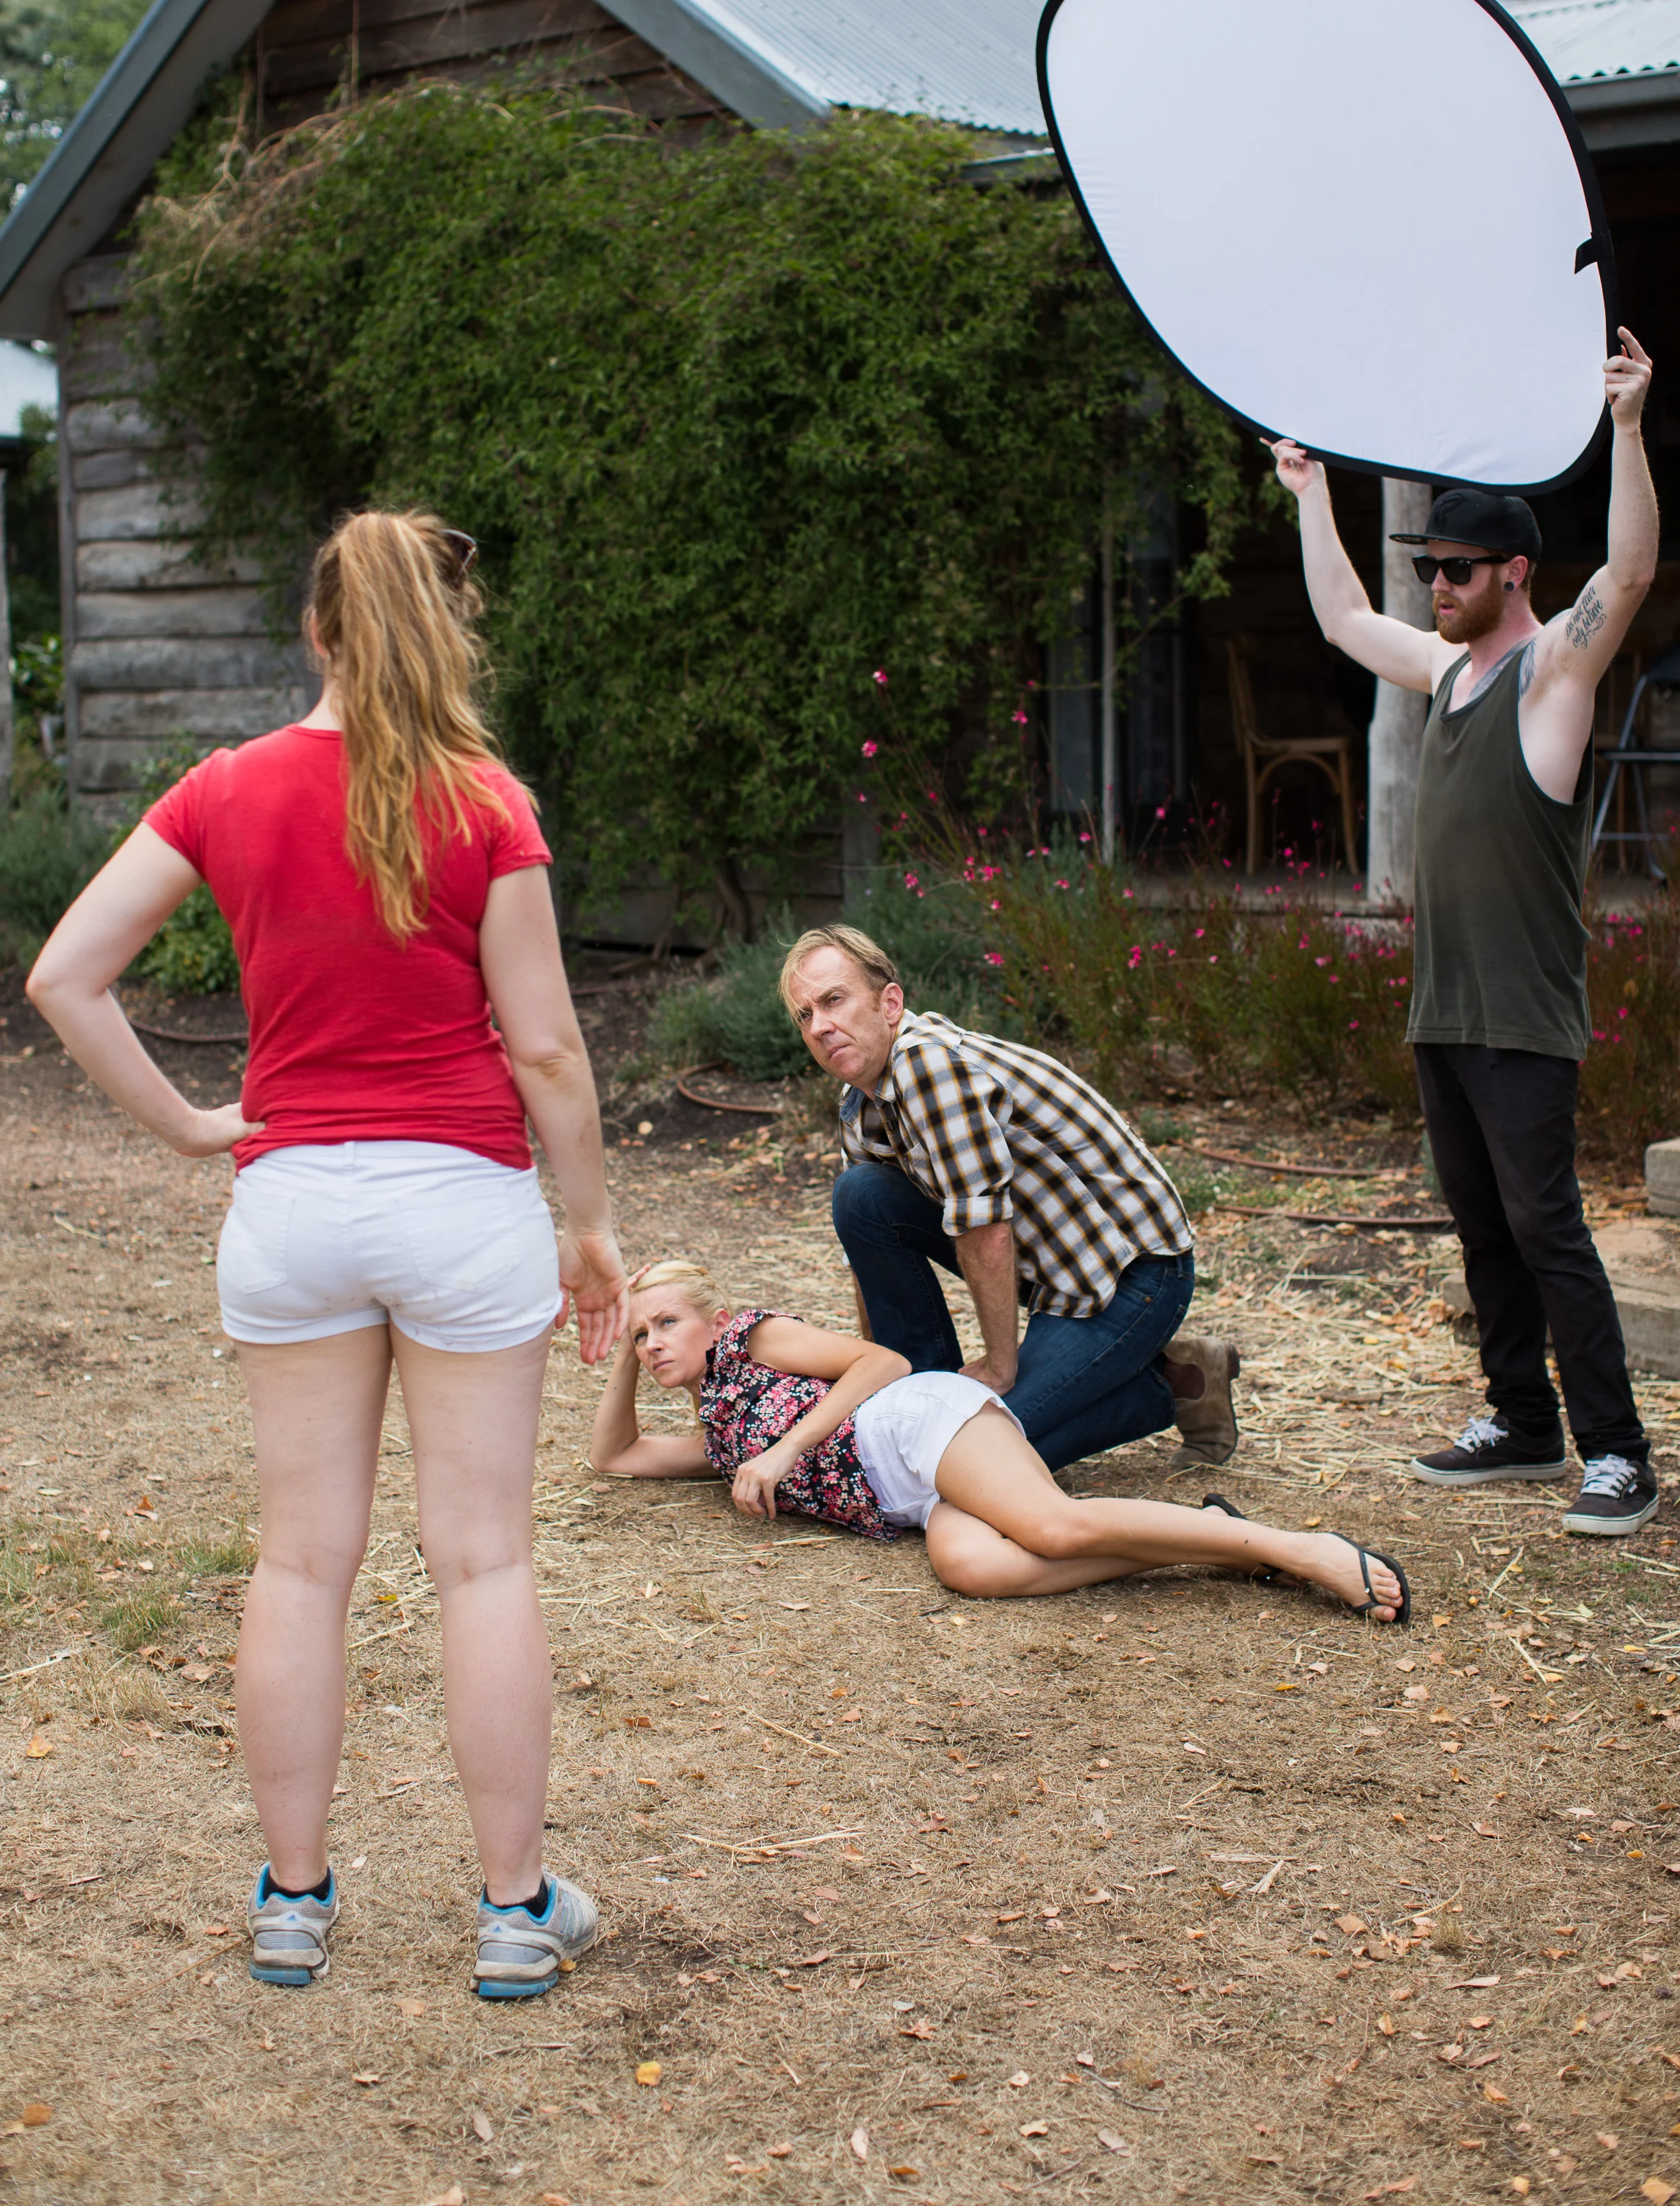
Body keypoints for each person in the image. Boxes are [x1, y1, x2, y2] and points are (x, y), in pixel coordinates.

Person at [27, 509, 629, 1997]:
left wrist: (186, 1127)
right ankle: (510, 1910)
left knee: (302, 1561)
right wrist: (591, 1224)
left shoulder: (225, 789)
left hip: (289, 1207)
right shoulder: (487, 801)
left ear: (317, 629)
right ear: (446, 632)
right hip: (462, 1207)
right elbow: (546, 1051)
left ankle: (292, 1904)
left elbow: (65, 973)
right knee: (480, 1560)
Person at [1270, 326, 1661, 1537]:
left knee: (1546, 1228)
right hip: (1442, 1007)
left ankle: (1616, 1454)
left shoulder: (1549, 679)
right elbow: (1341, 618)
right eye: (1427, 566)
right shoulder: (1441, 678)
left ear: (1510, 575)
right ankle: (1518, 1422)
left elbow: (1631, 575)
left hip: (1520, 1015)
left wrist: (1631, 430)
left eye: (1453, 570)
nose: (1431, 586)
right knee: (1482, 1223)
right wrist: (1308, 492)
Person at [589, 1259, 1410, 1619]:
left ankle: (1303, 1548)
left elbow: (882, 1359)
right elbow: (616, 1456)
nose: (654, 1341)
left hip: (911, 1422)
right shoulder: (722, 1432)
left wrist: (787, 1449)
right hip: (910, 1496)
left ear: (714, 1320)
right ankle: (1227, 1544)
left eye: (666, 1322)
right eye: (641, 1334)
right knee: (970, 1567)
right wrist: (621, 1351)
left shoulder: (753, 1340)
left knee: (1052, 1527)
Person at [776, 925, 1239, 1476]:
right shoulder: (860, 1104)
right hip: (1056, 1273)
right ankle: (919, 1393)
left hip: (1132, 1278)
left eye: (833, 1000)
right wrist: (872, 1379)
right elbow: (868, 1256)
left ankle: (1177, 1381)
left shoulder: (930, 1068)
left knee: (970, 1468)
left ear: (890, 1003)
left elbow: (985, 1227)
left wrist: (999, 1367)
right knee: (861, 1195)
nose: (821, 1026)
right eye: (805, 1015)